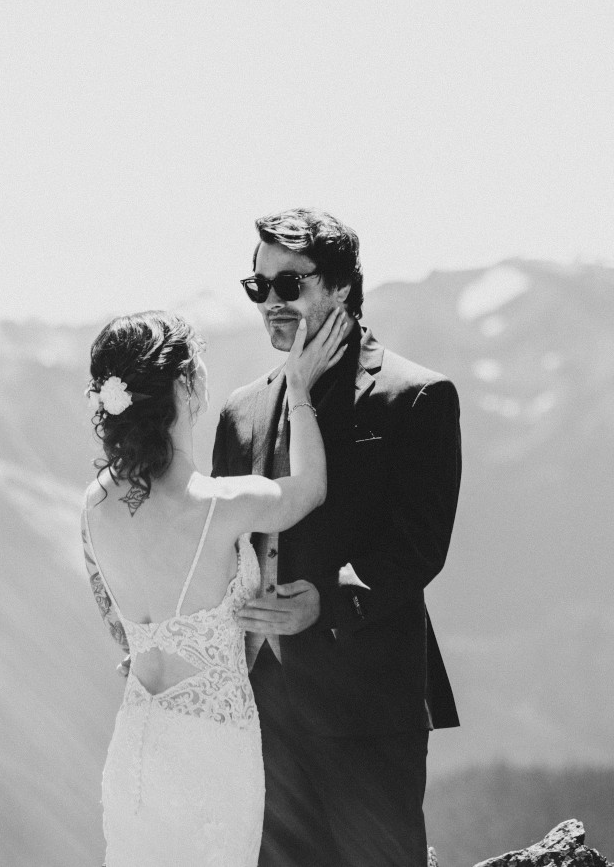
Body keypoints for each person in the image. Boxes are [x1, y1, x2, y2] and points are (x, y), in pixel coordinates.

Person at [213, 208, 462, 867]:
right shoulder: (241, 411)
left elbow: (419, 544)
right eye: (257, 286)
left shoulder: (416, 397)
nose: (270, 302)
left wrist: (324, 600)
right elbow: (221, 546)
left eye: (288, 285)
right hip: (261, 712)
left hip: (369, 705)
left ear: (343, 288)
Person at [80, 308, 353, 867]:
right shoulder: (219, 506)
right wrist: (298, 387)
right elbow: (311, 488)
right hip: (213, 749)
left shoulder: (95, 503)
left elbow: (116, 622)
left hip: (137, 736)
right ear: (183, 385)